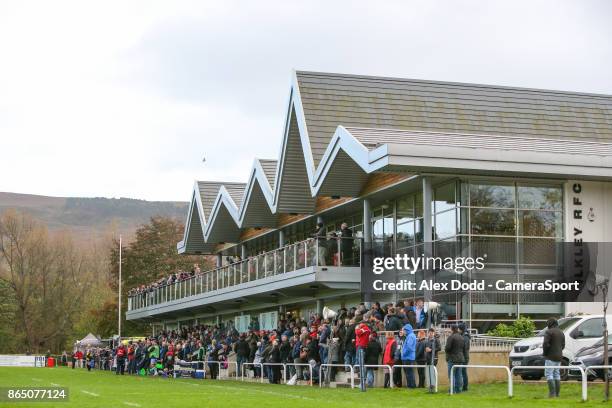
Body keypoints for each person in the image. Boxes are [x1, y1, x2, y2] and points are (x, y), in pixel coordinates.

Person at [543, 317, 565, 398]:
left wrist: (545, 353)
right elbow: (563, 345)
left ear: (550, 324)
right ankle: (557, 394)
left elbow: (545, 344)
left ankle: (552, 394)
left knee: (549, 374)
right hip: (559, 356)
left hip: (550, 356)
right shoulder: (561, 332)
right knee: (557, 374)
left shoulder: (548, 332)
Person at [445, 325, 465, 394]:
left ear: (452, 329)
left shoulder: (451, 337)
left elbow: (447, 348)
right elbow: (463, 348)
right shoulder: (462, 337)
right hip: (460, 359)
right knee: (458, 375)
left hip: (452, 359)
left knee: (451, 375)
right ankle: (458, 390)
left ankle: (452, 390)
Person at [355, 319, 371, 392]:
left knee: (362, 364)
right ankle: (362, 382)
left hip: (362, 347)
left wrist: (357, 328)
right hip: (361, 346)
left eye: (360, 323)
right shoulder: (364, 328)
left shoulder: (365, 328)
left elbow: (357, 333)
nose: (359, 325)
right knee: (360, 363)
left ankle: (362, 383)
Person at [400, 324, 417, 388]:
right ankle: (410, 386)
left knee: (409, 373)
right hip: (408, 357)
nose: (403, 332)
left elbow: (409, 348)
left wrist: (404, 353)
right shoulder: (410, 336)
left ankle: (411, 386)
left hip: (408, 358)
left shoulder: (410, 336)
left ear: (407, 330)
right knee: (408, 373)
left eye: (403, 330)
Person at [425, 328, 441, 392]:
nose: (430, 334)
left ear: (433, 333)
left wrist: (431, 350)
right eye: (429, 333)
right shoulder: (427, 340)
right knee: (428, 372)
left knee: (432, 372)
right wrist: (426, 350)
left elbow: (439, 348)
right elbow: (426, 348)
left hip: (434, 358)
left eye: (431, 333)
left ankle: (433, 387)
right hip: (428, 358)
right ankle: (429, 387)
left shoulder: (436, 340)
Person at [458, 322, 471, 391]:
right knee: (462, 372)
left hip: (464, 357)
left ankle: (465, 387)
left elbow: (465, 347)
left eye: (459, 329)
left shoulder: (465, 337)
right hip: (463, 356)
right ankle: (463, 386)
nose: (458, 330)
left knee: (463, 372)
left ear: (461, 329)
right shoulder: (463, 336)